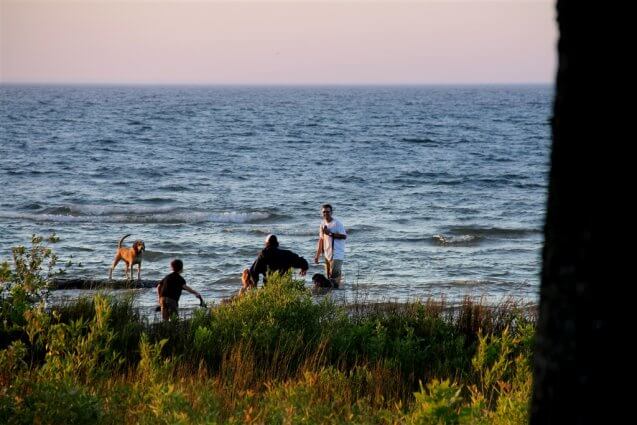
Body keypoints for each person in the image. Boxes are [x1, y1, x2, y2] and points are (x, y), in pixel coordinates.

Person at [313, 203, 347, 288]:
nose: (325, 214)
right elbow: (321, 240)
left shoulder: (337, 223)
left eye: (328, 212)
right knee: (328, 278)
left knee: (333, 277)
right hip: (327, 254)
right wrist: (317, 255)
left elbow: (344, 236)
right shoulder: (322, 224)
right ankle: (334, 295)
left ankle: (337, 296)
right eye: (324, 212)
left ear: (331, 212)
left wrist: (330, 233)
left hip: (337, 254)